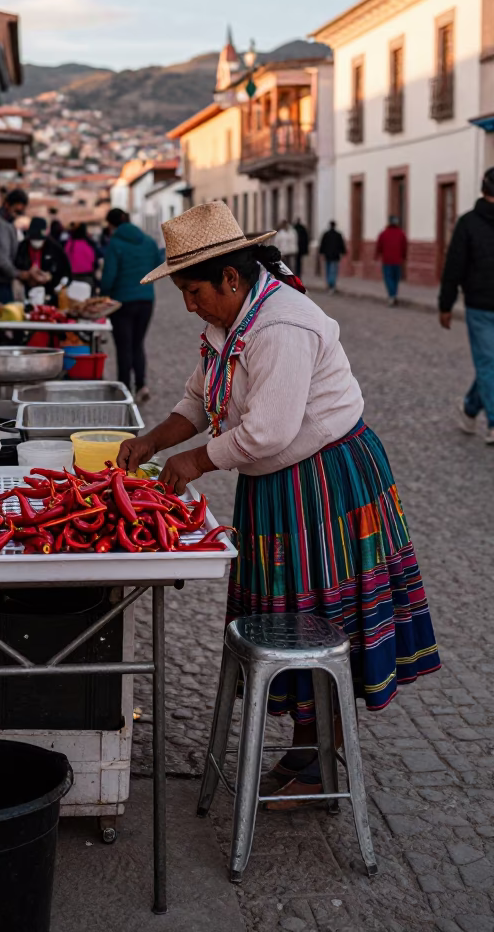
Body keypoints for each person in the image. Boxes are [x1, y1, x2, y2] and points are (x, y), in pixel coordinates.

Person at [118, 201, 439, 805]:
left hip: (325, 479)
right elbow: (196, 401)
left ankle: (321, 753)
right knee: (285, 606)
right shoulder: (225, 323)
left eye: (193, 291)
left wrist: (192, 463)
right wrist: (152, 441)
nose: (188, 304)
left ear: (231, 279)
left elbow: (267, 431)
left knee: (322, 612)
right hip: (277, 483)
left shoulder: (281, 326)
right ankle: (306, 742)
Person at [439, 168, 494, 443]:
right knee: (488, 363)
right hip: (481, 307)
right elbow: (455, 266)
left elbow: (453, 266)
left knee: (489, 364)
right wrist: (445, 303)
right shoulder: (469, 223)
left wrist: (445, 304)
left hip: (479, 304)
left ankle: (471, 407)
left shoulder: (467, 222)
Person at [100, 208, 161, 402]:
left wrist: (103, 295)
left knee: (123, 346)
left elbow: (109, 275)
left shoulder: (115, 244)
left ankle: (125, 389)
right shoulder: (149, 241)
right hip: (146, 300)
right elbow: (159, 263)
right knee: (137, 343)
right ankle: (141, 385)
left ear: (111, 225)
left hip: (122, 303)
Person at [0, 187, 28, 303]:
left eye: (21, 213)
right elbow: (1, 258)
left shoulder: (8, 224)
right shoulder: (0, 224)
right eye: (17, 211)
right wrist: (18, 274)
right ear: (7, 205)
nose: (17, 216)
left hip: (4, 281)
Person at [15, 216, 71, 303]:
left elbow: (65, 271)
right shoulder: (22, 247)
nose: (36, 242)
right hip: (27, 293)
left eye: (39, 239)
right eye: (34, 238)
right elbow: (16, 266)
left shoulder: (55, 248)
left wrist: (51, 277)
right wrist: (27, 275)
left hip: (50, 294)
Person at [375, 215, 408, 306]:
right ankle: (394, 295)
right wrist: (404, 257)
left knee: (389, 279)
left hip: (387, 261)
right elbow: (404, 246)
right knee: (395, 279)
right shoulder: (401, 233)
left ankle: (392, 296)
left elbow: (379, 246)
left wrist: (377, 255)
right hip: (397, 261)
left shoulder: (384, 233)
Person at [319, 221, 346, 293]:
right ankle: (332, 285)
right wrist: (343, 252)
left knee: (328, 270)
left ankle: (329, 284)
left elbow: (322, 244)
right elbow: (341, 245)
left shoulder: (326, 234)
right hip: (335, 256)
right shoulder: (338, 235)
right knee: (333, 271)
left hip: (327, 255)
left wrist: (321, 253)